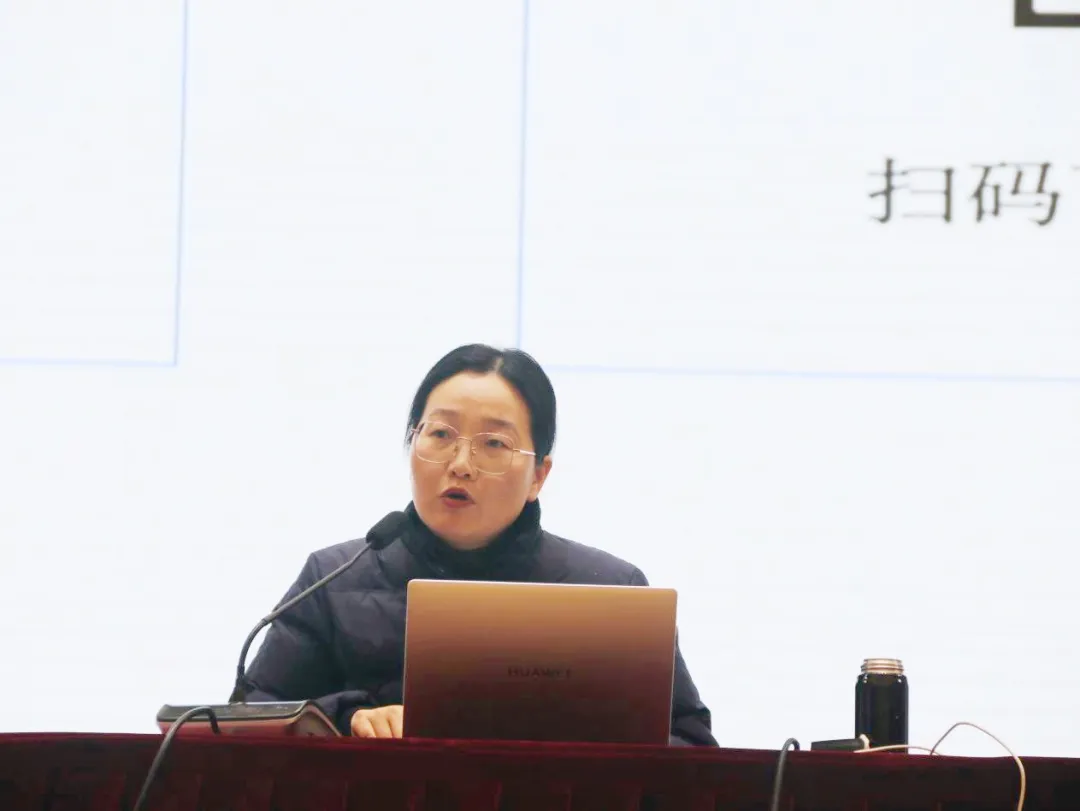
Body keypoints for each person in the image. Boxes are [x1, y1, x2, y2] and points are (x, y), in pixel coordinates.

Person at [243, 344, 717, 746]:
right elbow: (248, 721)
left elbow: (689, 742)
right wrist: (349, 718)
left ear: (539, 476)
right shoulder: (333, 580)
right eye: (441, 434)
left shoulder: (612, 590)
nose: (461, 464)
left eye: (494, 444)